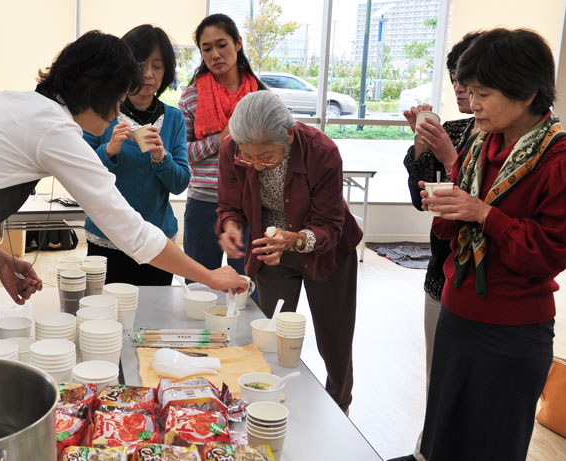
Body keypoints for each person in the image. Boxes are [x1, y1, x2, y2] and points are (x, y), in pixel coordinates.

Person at [0, 31, 247, 353]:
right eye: (118, 101)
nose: (118, 113)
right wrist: (209, 276)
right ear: (96, 91)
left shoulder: (8, 102)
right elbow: (132, 232)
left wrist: (0, 259)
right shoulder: (55, 128)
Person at [392, 29, 566, 461]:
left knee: (491, 445)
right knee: (441, 437)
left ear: (526, 93)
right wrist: (450, 207)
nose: (472, 104)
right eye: (469, 92)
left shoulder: (556, 159)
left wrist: (484, 213)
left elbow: (547, 255)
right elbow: (453, 235)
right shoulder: (481, 146)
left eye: (483, 94)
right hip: (458, 313)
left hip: (512, 332)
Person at [216, 91, 363, 412]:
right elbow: (229, 203)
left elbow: (329, 224)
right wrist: (231, 226)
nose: (256, 164)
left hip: (328, 252)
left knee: (334, 338)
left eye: (267, 157)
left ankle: (340, 405)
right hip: (272, 250)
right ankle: (266, 400)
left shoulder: (322, 152)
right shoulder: (231, 149)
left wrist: (295, 239)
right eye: (248, 158)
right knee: (271, 330)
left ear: (289, 136)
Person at [403, 32, 482, 390]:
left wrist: (450, 156)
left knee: (473, 384)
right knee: (438, 376)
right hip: (441, 268)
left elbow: (483, 202)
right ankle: (430, 445)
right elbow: (423, 199)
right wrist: (421, 144)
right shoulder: (453, 129)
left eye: (468, 80)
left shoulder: (516, 146)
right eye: (454, 79)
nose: (460, 89)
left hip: (482, 281)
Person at [83, 25, 190, 286]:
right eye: (140, 65)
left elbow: (180, 184)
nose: (148, 74)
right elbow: (81, 174)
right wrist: (109, 150)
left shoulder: (174, 118)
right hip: (106, 237)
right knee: (105, 318)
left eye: (157, 66)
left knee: (154, 319)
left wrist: (161, 157)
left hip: (157, 241)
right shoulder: (98, 111)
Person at [178, 13, 266, 282]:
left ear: (238, 44)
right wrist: (220, 138)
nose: (215, 54)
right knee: (200, 288)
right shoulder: (191, 96)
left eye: (221, 44)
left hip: (250, 204)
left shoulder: (260, 96)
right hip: (204, 204)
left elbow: (277, 153)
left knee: (249, 286)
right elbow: (184, 155)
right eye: (207, 48)